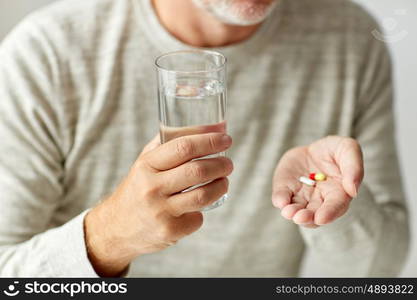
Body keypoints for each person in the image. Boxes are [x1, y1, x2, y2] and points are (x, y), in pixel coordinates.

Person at [0, 0, 409, 277]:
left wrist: (336, 211)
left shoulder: (351, 39)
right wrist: (109, 237)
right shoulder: (48, 53)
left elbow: (377, 272)